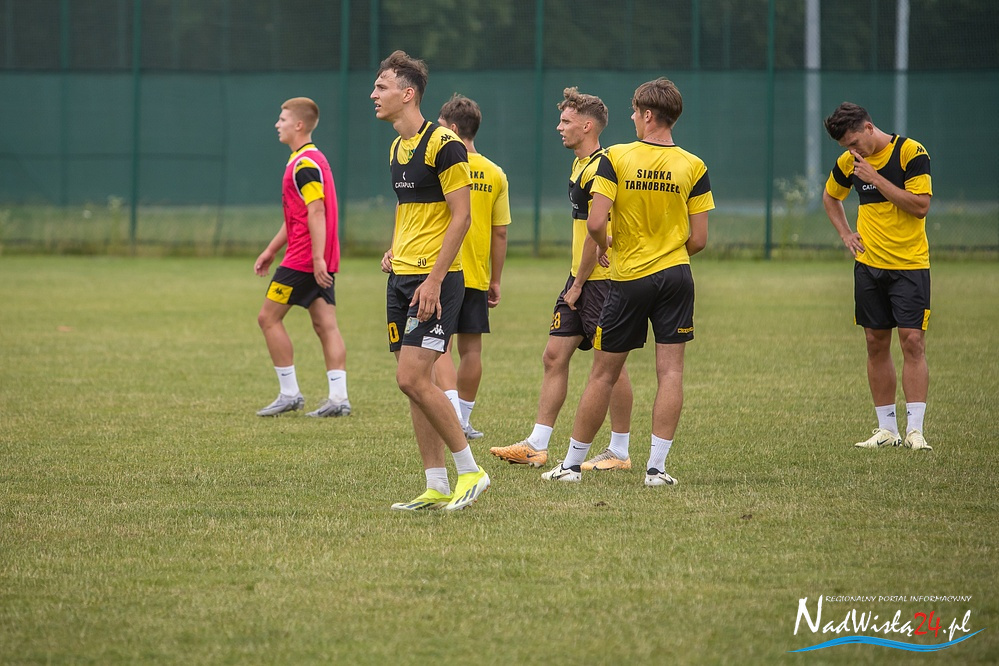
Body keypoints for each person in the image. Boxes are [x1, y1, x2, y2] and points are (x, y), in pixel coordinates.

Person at [541, 77, 713, 486]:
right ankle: (657, 469)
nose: (632, 118)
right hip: (677, 275)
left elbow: (595, 223)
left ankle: (571, 466)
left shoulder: (616, 157)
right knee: (670, 373)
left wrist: (608, 245)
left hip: (629, 276)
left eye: (635, 112)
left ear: (648, 115)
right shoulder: (694, 165)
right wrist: (666, 254)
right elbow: (700, 239)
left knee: (603, 373)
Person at [490, 87, 634, 472]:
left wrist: (579, 284)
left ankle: (619, 451)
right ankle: (537, 445)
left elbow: (595, 234)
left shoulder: (602, 167)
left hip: (599, 282)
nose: (559, 127)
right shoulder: (580, 165)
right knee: (553, 356)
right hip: (579, 278)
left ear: (587, 126)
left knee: (610, 366)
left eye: (566, 121)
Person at [371, 50, 490, 511]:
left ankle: (471, 471)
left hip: (433, 281)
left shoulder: (445, 144)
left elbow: (462, 217)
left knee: (412, 377)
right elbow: (408, 207)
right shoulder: (396, 147)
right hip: (402, 276)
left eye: (381, 87)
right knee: (412, 382)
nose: (373, 94)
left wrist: (435, 280)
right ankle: (436, 483)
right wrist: (395, 246)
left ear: (408, 94)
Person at [822, 102, 934, 451]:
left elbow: (920, 206)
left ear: (869, 127)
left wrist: (875, 178)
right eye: (846, 147)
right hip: (869, 266)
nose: (852, 152)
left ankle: (915, 431)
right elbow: (830, 197)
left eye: (855, 142)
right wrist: (845, 233)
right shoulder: (849, 163)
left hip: (910, 265)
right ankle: (887, 430)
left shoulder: (910, 153)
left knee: (912, 342)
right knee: (875, 342)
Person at [254, 97, 350, 418]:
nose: (277, 124)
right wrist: (271, 250)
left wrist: (317, 258)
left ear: (298, 125)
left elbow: (316, 211)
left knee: (268, 318)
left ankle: (289, 393)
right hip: (317, 257)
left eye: (282, 119)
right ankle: (339, 398)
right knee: (326, 325)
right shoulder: (311, 159)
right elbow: (298, 215)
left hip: (304, 259)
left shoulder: (304, 164)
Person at [431, 94, 511, 440]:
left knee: (438, 346)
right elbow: (500, 232)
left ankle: (452, 418)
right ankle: (464, 418)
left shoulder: (442, 164)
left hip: (444, 270)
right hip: (477, 273)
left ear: (451, 128)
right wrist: (496, 279)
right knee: (472, 350)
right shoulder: (495, 173)